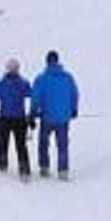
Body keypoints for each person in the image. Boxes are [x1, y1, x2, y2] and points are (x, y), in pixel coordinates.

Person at [29, 50, 80, 179]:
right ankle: (63, 170)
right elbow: (74, 94)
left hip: (47, 117)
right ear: (57, 61)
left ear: (47, 62)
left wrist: (33, 113)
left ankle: (44, 167)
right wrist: (73, 109)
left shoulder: (41, 79)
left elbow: (35, 98)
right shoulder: (68, 78)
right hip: (63, 118)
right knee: (62, 144)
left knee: (44, 143)